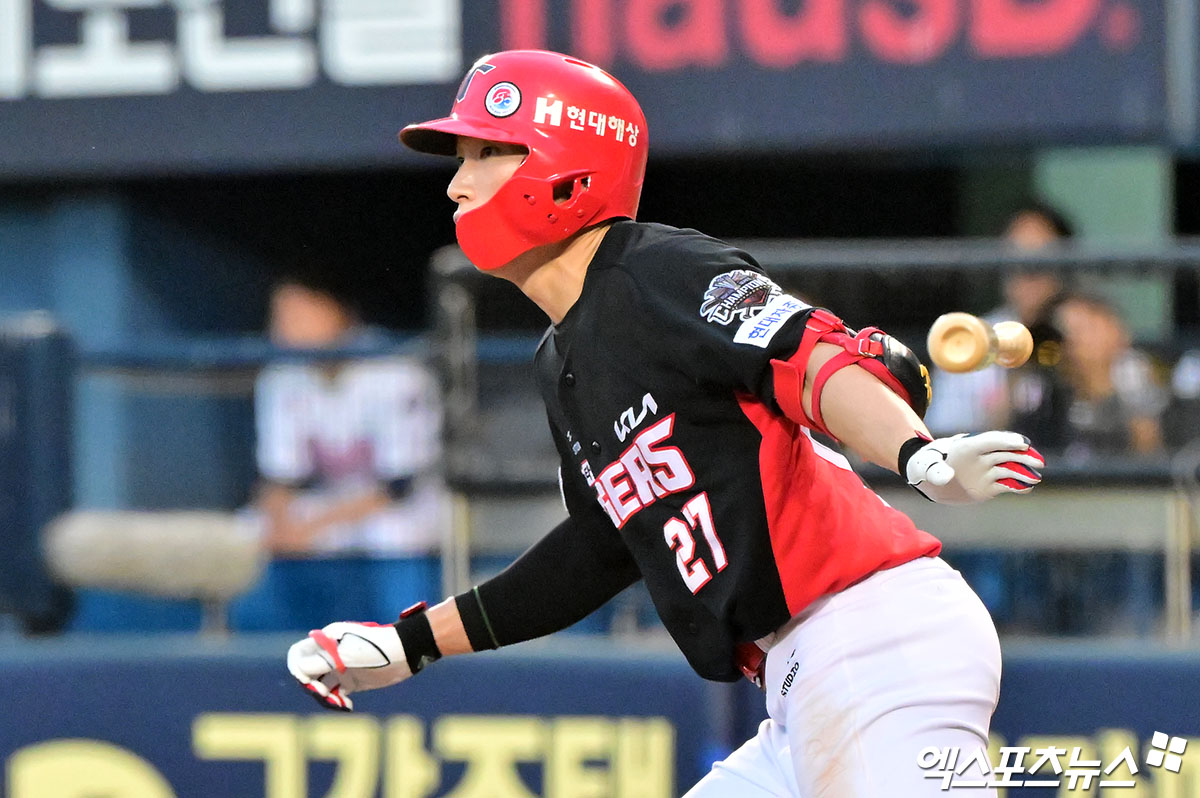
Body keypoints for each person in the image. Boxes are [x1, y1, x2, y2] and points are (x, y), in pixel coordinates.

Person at [286, 50, 1044, 796]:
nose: (457, 183)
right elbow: (599, 549)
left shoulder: (654, 270)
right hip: (802, 678)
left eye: (487, 152)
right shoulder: (561, 357)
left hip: (872, 637)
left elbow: (811, 356)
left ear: (567, 168)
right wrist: (410, 644)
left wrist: (919, 456)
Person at [236, 276, 449, 630]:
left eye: (300, 315)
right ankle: (266, 643)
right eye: (280, 317)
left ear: (337, 312)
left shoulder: (394, 369)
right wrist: (281, 527)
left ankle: (410, 637)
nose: (284, 330)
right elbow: (277, 479)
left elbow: (398, 487)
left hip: (401, 506)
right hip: (331, 503)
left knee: (390, 535)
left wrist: (310, 529)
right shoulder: (280, 374)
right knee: (250, 530)